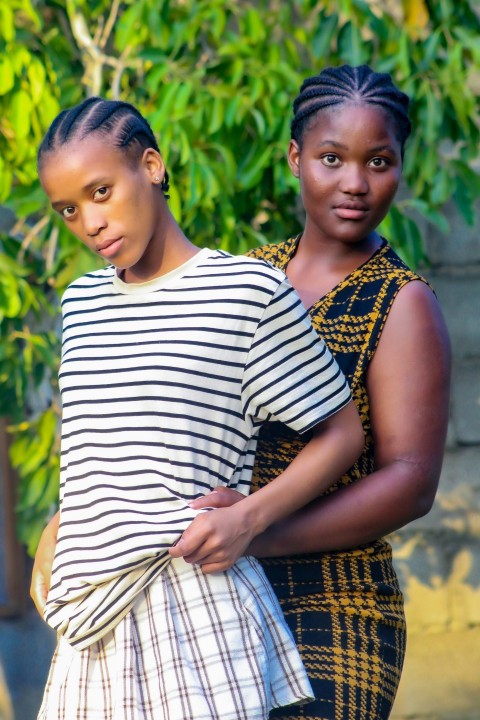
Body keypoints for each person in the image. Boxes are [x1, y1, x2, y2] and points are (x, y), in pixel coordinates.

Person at [32, 96, 364, 720]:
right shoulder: (81, 305)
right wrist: (61, 527)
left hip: (197, 598)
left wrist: (249, 519)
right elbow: (95, 448)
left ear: (151, 166)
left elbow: (341, 435)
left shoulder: (246, 292)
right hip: (94, 615)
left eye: (101, 191)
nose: (89, 222)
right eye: (69, 209)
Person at [176, 64, 452, 718]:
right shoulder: (247, 276)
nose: (355, 183)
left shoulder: (402, 302)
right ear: (296, 159)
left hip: (336, 602)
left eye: (379, 161)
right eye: (332, 158)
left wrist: (256, 529)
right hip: (220, 586)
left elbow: (411, 481)